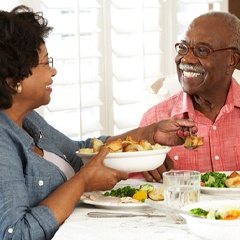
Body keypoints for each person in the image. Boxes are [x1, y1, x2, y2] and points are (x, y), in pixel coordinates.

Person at [0, 5, 197, 240]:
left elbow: (79, 153)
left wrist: (148, 134)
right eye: (45, 63)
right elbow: (16, 234)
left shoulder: (28, 120)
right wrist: (82, 182)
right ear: (12, 80)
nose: (53, 71)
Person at [133, 11, 240, 182]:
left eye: (202, 50)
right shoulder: (153, 122)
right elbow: (131, 197)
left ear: (232, 60)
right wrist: (143, 167)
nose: (187, 59)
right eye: (183, 48)